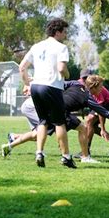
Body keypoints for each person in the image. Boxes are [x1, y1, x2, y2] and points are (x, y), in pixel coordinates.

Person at [2, 75, 109, 160]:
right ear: (94, 86)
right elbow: (106, 113)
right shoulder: (88, 97)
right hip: (61, 112)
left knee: (37, 134)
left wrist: (34, 85)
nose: (102, 89)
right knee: (83, 128)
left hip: (52, 108)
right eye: (101, 86)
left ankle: (9, 146)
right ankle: (85, 157)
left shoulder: (76, 84)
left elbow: (58, 84)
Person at [19, 18, 73, 168]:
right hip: (52, 87)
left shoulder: (36, 46)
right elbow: (62, 69)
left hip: (36, 86)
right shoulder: (61, 48)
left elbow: (22, 67)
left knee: (43, 121)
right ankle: (66, 157)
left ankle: (39, 152)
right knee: (59, 122)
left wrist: (27, 84)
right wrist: (67, 74)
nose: (65, 35)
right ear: (57, 32)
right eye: (64, 32)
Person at [77, 69, 109, 157]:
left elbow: (101, 111)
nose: (85, 80)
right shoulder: (79, 83)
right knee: (92, 127)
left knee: (89, 121)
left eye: (87, 77)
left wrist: (103, 128)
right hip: (97, 102)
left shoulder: (97, 88)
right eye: (84, 78)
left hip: (106, 102)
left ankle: (86, 151)